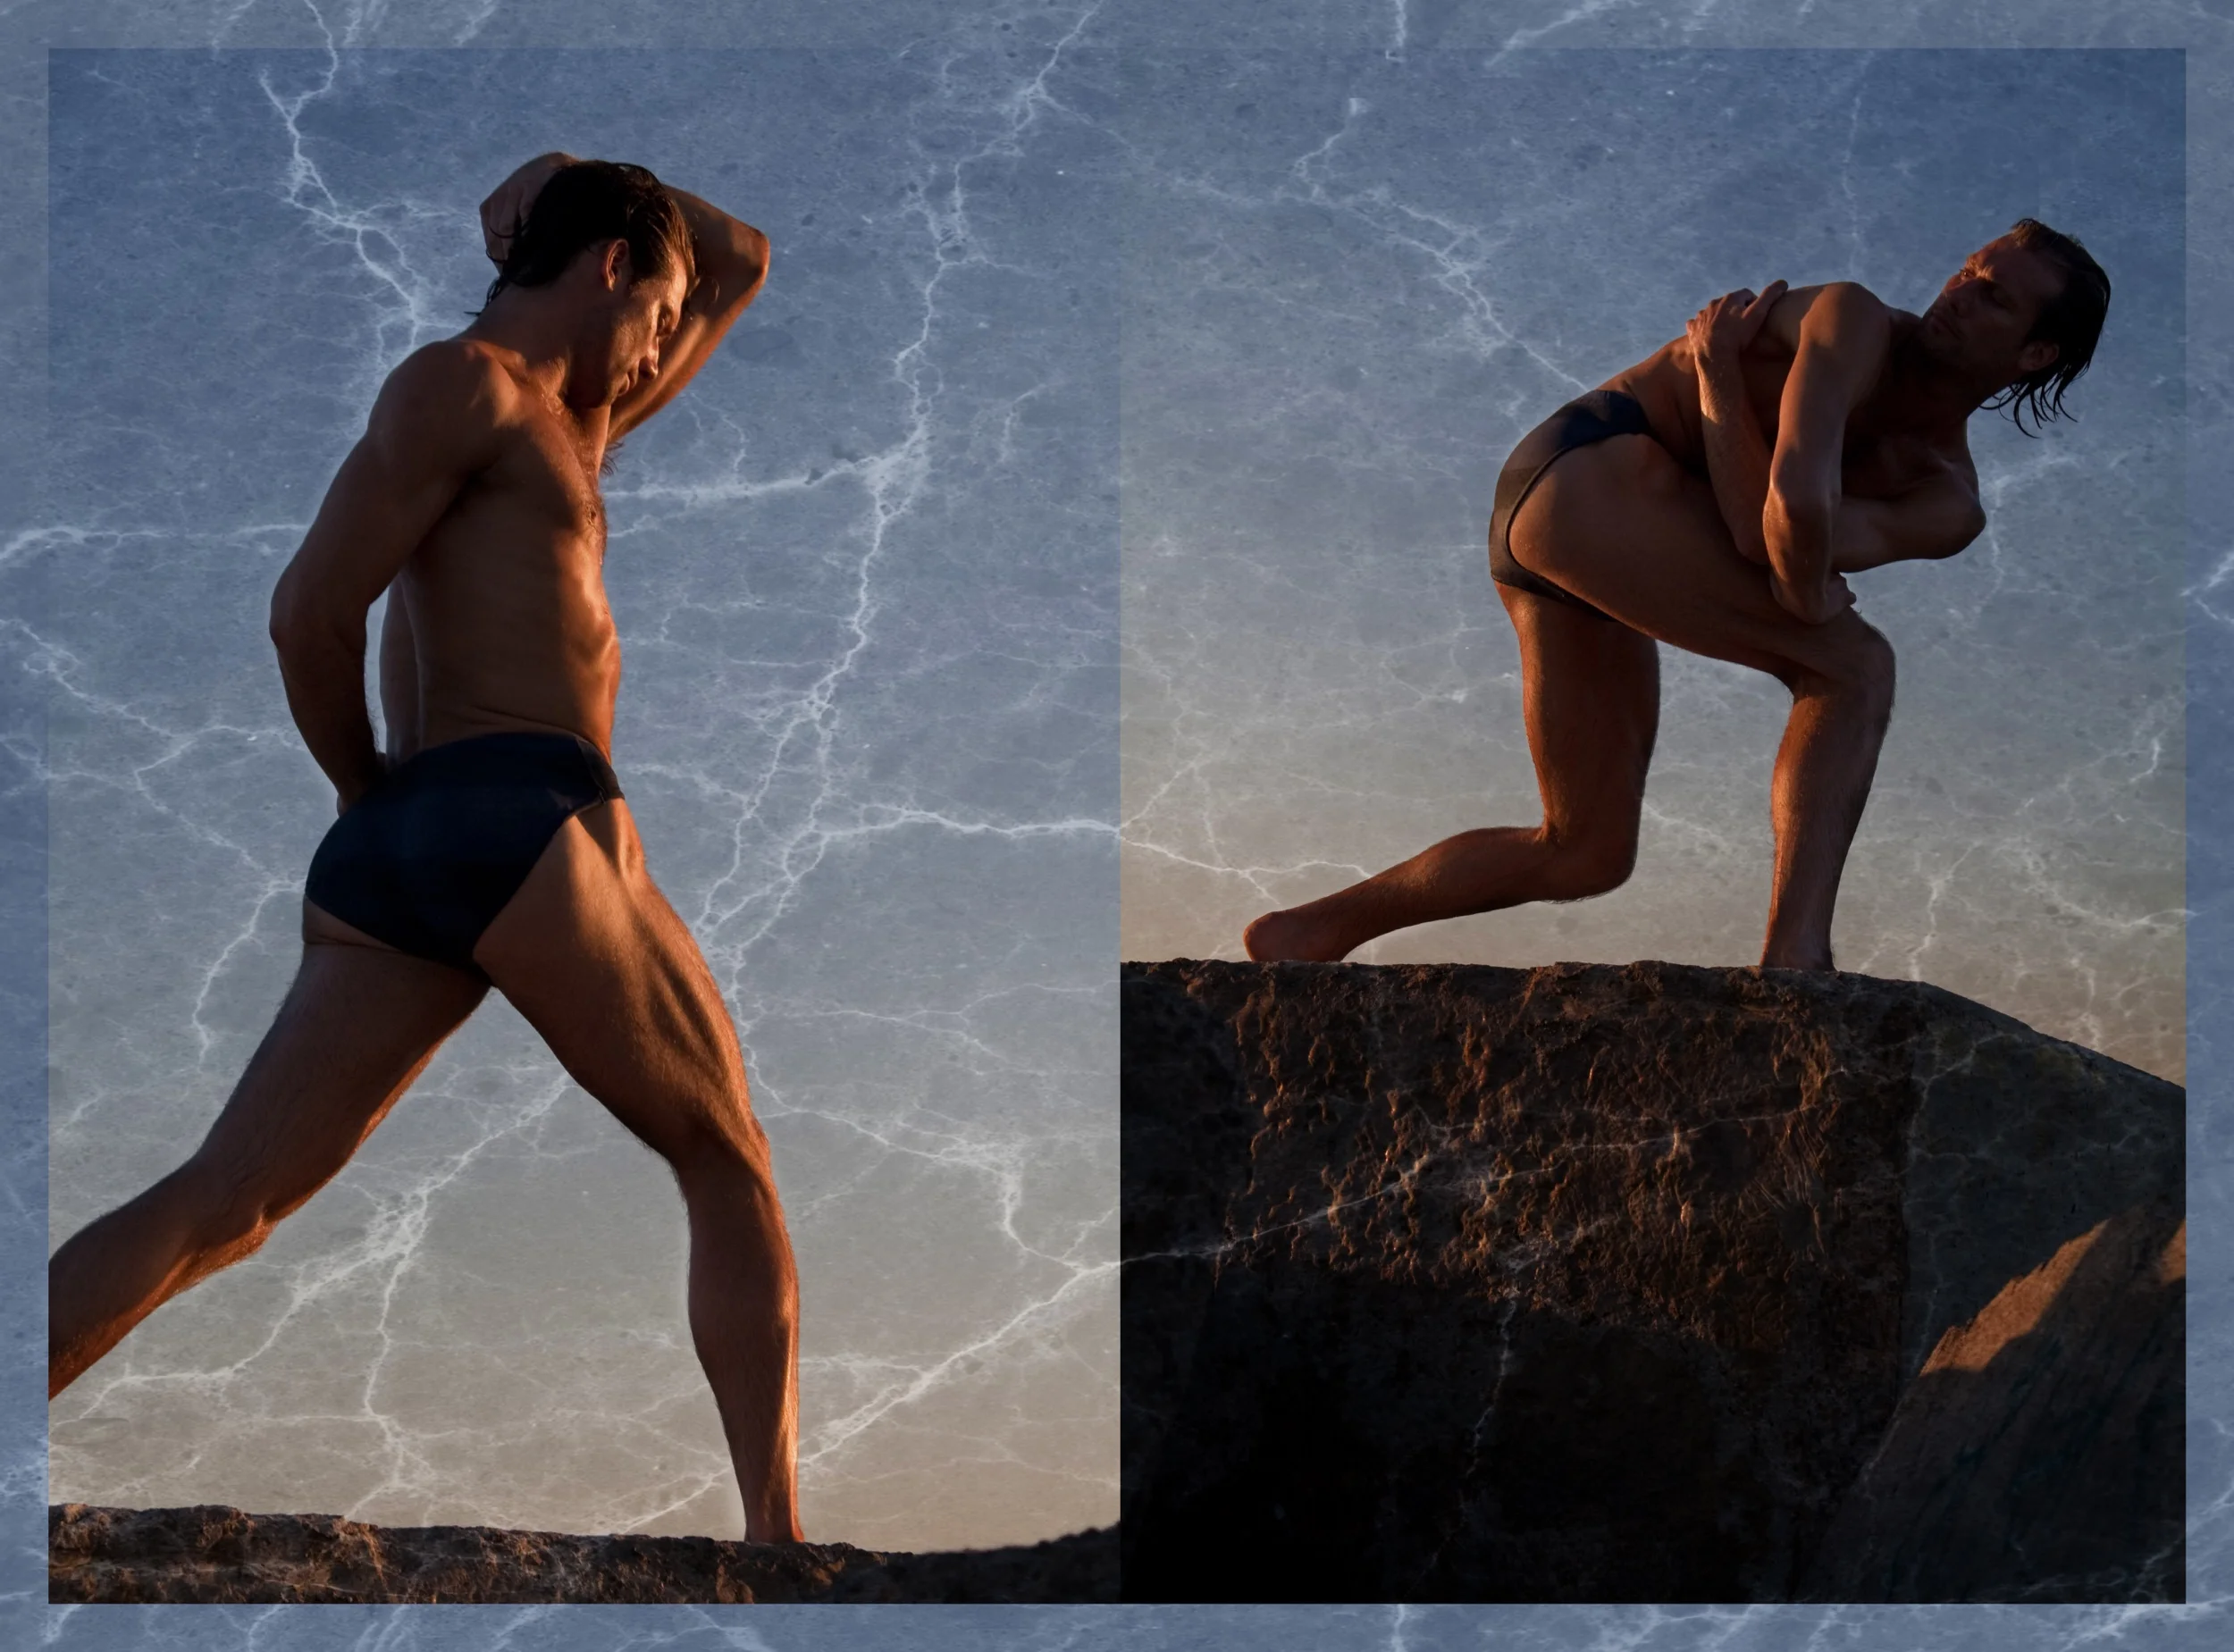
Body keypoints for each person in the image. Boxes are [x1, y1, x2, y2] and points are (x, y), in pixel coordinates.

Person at [47, 154, 808, 1543]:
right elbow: (305, 613)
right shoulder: (467, 387)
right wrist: (362, 784)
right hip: (520, 811)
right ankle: (779, 1541)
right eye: (659, 304)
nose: (657, 348)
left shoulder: (564, 425)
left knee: (226, 1200)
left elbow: (743, 255)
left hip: (409, 854)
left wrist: (572, 170)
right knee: (728, 1159)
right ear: (611, 267)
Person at [1245, 221, 2111, 973]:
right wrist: (1797, 574)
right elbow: (1793, 514)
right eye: (1967, 269)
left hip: (1591, 538)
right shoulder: (1848, 319)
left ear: (2035, 354)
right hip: (1588, 468)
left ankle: (1307, 932)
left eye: (1993, 297)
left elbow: (1775, 536)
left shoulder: (1945, 500)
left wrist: (1722, 385)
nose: (1958, 292)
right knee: (1854, 666)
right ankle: (1795, 960)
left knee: (1584, 850)